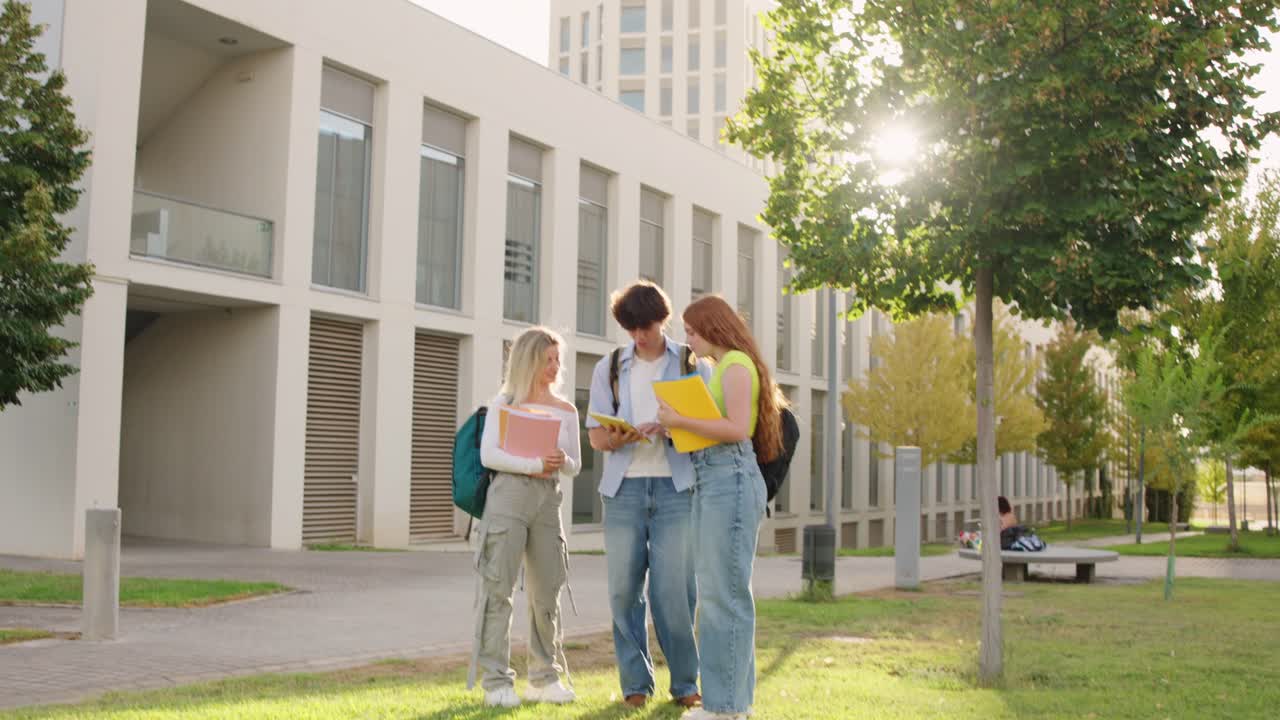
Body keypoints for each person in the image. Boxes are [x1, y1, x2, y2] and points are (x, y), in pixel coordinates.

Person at [656, 295, 786, 720]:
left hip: (728, 481)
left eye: (692, 331)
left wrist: (680, 421)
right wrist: (676, 427)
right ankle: (729, 703)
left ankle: (726, 708)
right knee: (720, 596)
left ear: (713, 328)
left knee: (723, 599)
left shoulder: (735, 365)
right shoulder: (720, 368)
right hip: (714, 478)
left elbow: (735, 429)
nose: (687, 339)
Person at [585, 281, 707, 710]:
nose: (640, 336)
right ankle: (635, 684)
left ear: (663, 319)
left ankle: (686, 683)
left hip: (676, 490)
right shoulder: (611, 367)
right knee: (622, 591)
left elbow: (707, 432)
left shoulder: (692, 364)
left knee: (673, 592)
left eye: (647, 327)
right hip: (624, 490)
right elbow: (596, 438)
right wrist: (618, 436)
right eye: (632, 328)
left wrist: (672, 428)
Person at [468, 326, 581, 708]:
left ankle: (543, 678)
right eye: (547, 359)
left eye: (557, 359)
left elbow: (575, 464)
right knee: (498, 586)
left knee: (547, 588)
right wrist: (533, 462)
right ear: (527, 360)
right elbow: (489, 456)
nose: (555, 366)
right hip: (508, 496)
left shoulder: (566, 409)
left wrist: (561, 461)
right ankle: (496, 682)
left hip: (548, 499)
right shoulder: (504, 403)